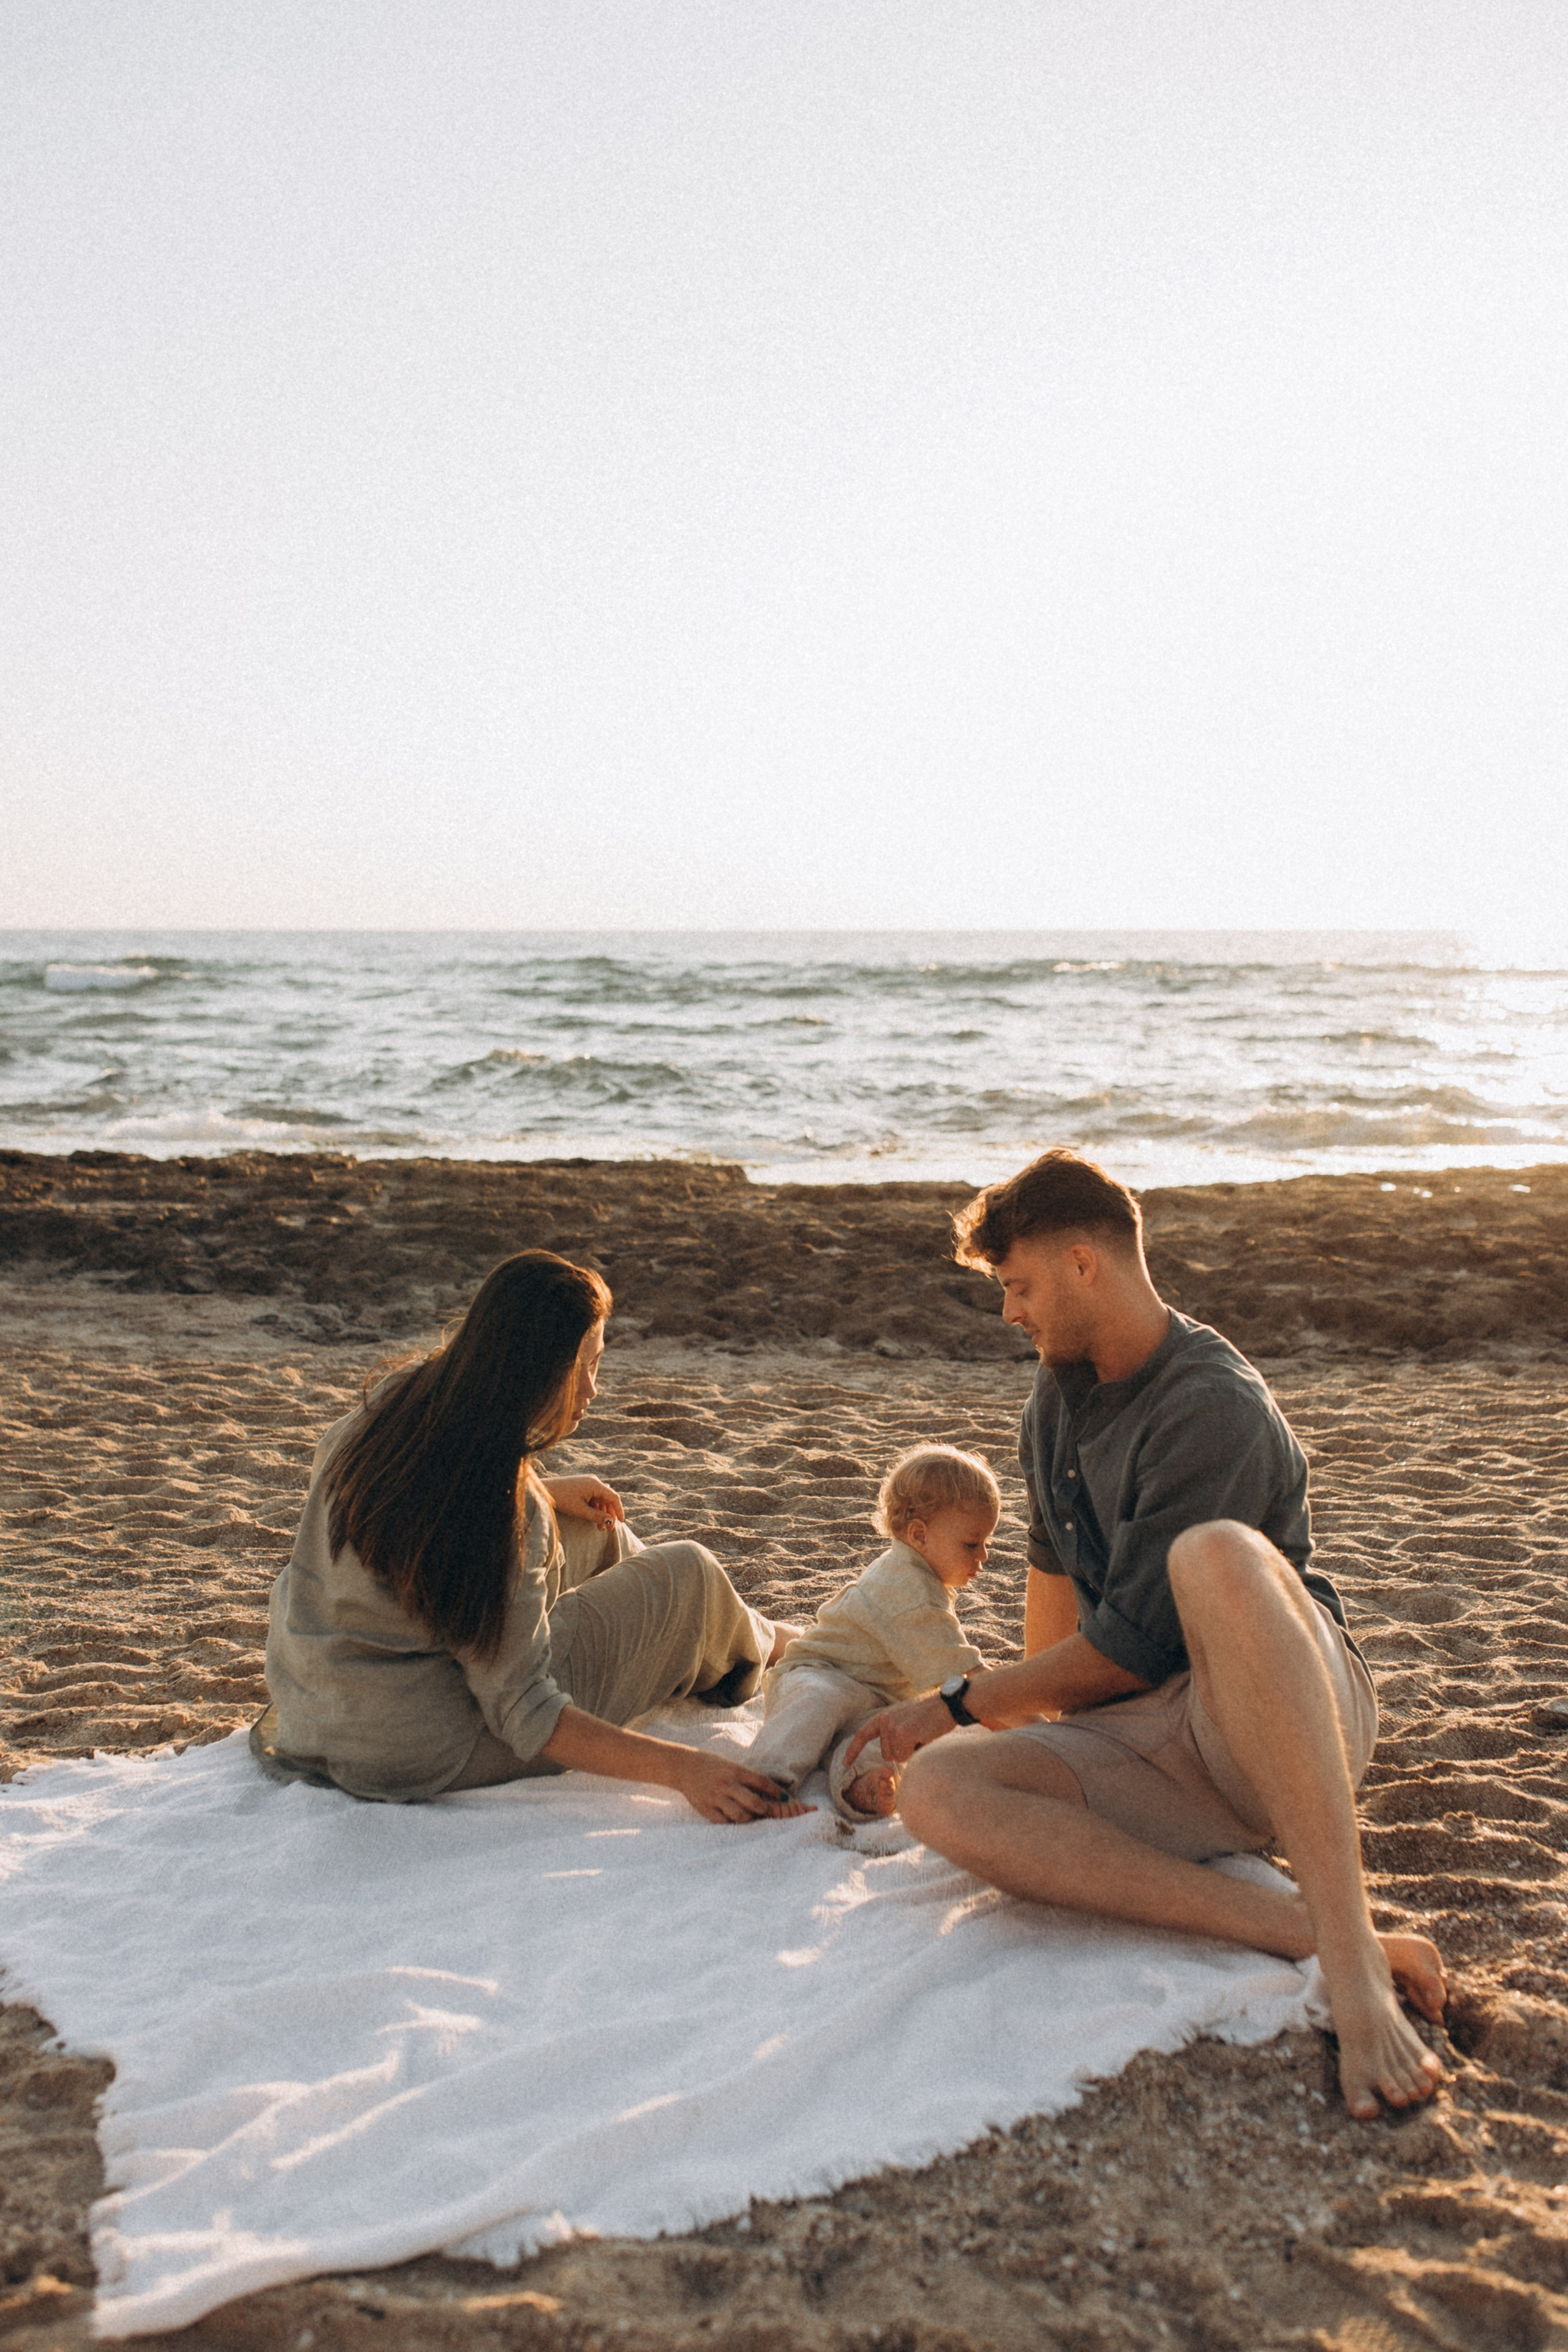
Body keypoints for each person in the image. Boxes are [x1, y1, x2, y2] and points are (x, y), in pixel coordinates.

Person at [842, 1149, 1448, 2119]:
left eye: (1020, 1285)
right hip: (1159, 1738)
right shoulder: (1057, 1394)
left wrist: (953, 1701)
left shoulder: (1211, 1402)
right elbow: (1054, 1603)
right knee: (944, 1789)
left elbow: (1123, 1648)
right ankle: (1320, 1935)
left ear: (1086, 1263)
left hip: (1285, 1715)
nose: (1010, 1313)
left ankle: (1354, 1967)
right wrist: (1007, 1746)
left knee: (1216, 1557)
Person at [252, 1250, 801, 1823]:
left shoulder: (392, 1405)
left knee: (598, 1534)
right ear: (533, 1368)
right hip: (418, 1747)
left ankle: (751, 1630)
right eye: (581, 1366)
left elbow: (427, 1501)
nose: (592, 1388)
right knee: (687, 1577)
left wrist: (543, 1487)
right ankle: (770, 1642)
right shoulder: (498, 1511)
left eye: (598, 1362)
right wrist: (685, 1770)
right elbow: (527, 1713)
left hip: (314, 1706)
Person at [747, 1446, 997, 1822]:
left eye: (987, 1543)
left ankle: (859, 1785)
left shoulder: (925, 1575)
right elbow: (968, 1680)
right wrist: (1046, 1732)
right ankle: (762, 1783)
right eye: (972, 1544)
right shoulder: (907, 1590)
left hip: (875, 1700)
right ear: (919, 1535)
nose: (984, 1556)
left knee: (884, 1740)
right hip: (820, 1673)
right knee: (818, 1701)